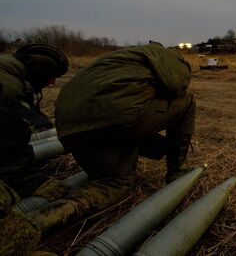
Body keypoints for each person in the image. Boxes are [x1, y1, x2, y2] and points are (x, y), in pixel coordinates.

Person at [31, 42, 196, 231]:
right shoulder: (170, 58)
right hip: (116, 117)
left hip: (71, 129)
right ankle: (177, 171)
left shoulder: (120, 59)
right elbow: (176, 85)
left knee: (115, 183)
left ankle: (35, 222)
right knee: (188, 101)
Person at [0, 43, 70, 199]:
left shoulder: (11, 75)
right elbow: (10, 144)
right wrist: (26, 181)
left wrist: (41, 122)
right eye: (52, 76)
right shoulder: (9, 89)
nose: (52, 82)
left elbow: (21, 110)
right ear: (39, 70)